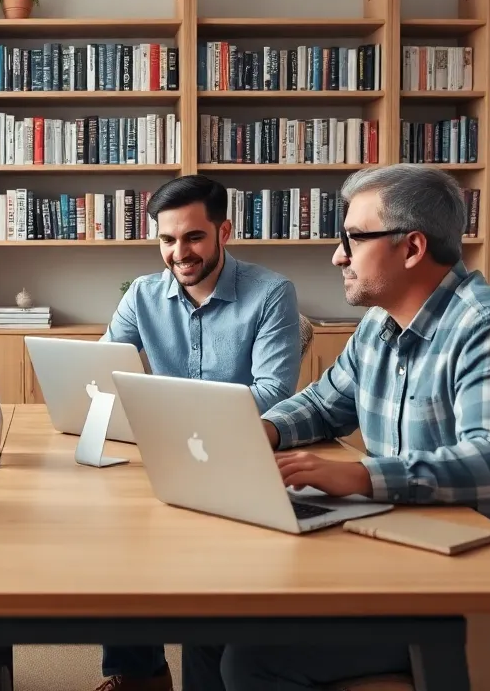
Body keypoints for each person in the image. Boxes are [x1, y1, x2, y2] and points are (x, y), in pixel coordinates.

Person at [190, 163, 490, 690]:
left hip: (475, 584)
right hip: (398, 552)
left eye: (354, 238)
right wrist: (259, 432)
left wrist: (361, 476)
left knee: (253, 661)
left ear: (412, 248)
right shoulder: (379, 325)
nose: (338, 255)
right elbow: (322, 404)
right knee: (208, 612)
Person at [96, 174, 302, 691]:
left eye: (193, 237)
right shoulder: (142, 294)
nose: (179, 253)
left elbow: (274, 391)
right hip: (164, 449)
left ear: (223, 232)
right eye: (167, 240)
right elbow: (103, 369)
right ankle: (140, 675)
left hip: (238, 456)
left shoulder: (271, 293)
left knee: (205, 573)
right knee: (114, 532)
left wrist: (170, 411)